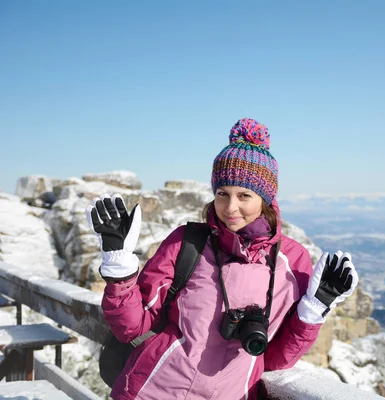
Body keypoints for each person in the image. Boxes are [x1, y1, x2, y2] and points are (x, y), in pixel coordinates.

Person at [86, 118, 359, 400]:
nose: (230, 207)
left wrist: (313, 311)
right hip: (151, 392)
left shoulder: (292, 261)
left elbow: (275, 359)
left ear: (265, 199)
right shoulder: (188, 242)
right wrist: (118, 267)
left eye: (244, 195)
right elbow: (132, 327)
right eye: (222, 194)